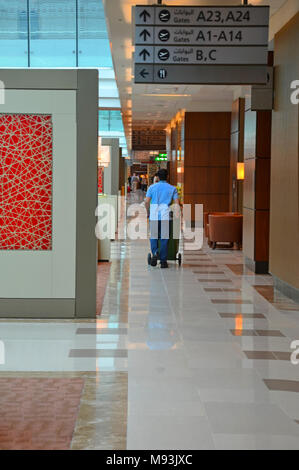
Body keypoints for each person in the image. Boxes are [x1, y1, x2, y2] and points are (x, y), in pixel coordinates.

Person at [145, 169, 180, 269]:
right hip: (166, 216)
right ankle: (163, 261)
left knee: (154, 236)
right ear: (167, 176)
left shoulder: (152, 187)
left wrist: (148, 212)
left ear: (158, 177)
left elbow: (147, 201)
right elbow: (177, 203)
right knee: (164, 238)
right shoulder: (173, 188)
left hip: (154, 215)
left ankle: (155, 253)